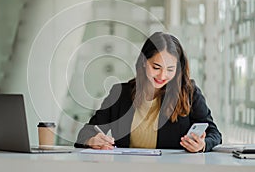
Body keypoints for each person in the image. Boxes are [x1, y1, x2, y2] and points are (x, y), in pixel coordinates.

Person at [74, 32, 222, 152]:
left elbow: (214, 134)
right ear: (144, 62)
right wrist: (91, 140)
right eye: (156, 67)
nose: (162, 76)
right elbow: (86, 133)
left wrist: (202, 145)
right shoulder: (120, 93)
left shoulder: (189, 93)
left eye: (170, 69)